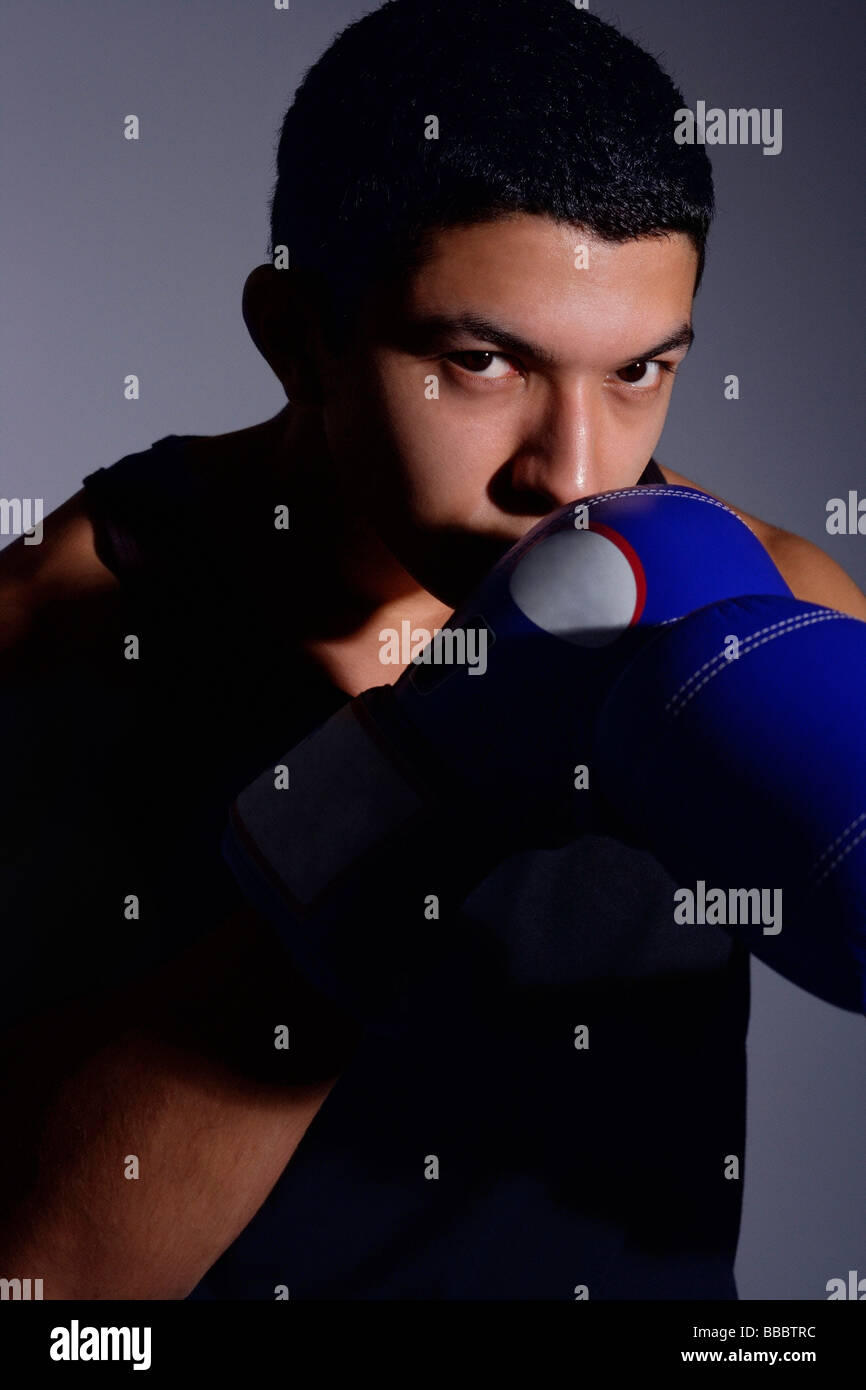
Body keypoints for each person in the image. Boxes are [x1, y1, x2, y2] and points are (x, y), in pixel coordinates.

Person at [1, 0, 864, 1301]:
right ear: (300, 337)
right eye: (479, 361)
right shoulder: (71, 628)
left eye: (639, 370)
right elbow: (47, 1281)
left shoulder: (765, 601)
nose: (569, 471)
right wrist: (405, 786)